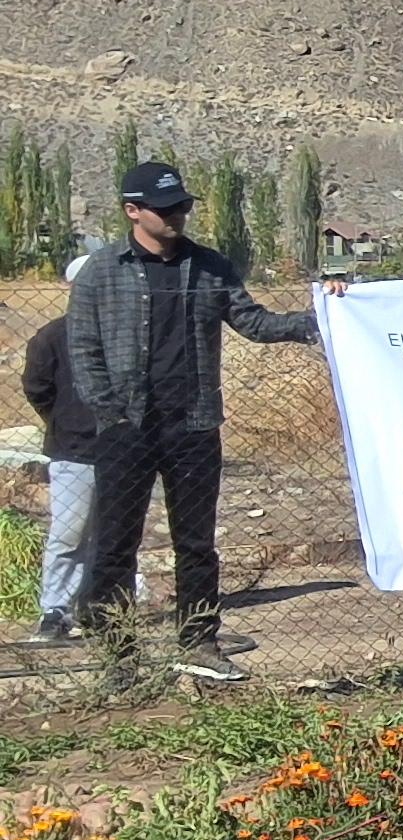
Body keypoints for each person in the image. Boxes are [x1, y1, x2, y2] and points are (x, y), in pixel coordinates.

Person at [66, 161, 336, 682]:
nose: (176, 217)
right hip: (127, 430)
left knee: (196, 542)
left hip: (193, 427)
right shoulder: (102, 271)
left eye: (182, 207)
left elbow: (253, 322)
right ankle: (116, 654)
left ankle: (199, 640)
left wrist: (324, 317)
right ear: (132, 211)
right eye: (165, 210)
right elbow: (83, 349)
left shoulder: (210, 266)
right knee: (118, 543)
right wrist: (112, 414)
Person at [19, 254, 97, 642]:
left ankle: (100, 608)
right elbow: (37, 387)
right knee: (68, 532)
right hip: (73, 450)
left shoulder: (126, 333)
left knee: (114, 533)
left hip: (124, 451)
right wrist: (64, 420)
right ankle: (55, 610)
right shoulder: (52, 337)